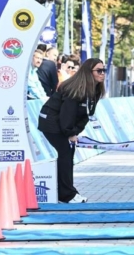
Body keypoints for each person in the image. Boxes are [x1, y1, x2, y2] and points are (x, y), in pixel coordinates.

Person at [38, 58, 106, 203]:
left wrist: (75, 132)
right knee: (65, 153)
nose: (102, 74)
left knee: (68, 155)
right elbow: (66, 115)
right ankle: (67, 194)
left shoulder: (94, 90)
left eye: (104, 70)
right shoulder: (76, 89)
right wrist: (70, 133)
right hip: (51, 122)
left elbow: (86, 115)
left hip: (62, 123)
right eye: (99, 71)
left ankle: (65, 192)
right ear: (89, 72)